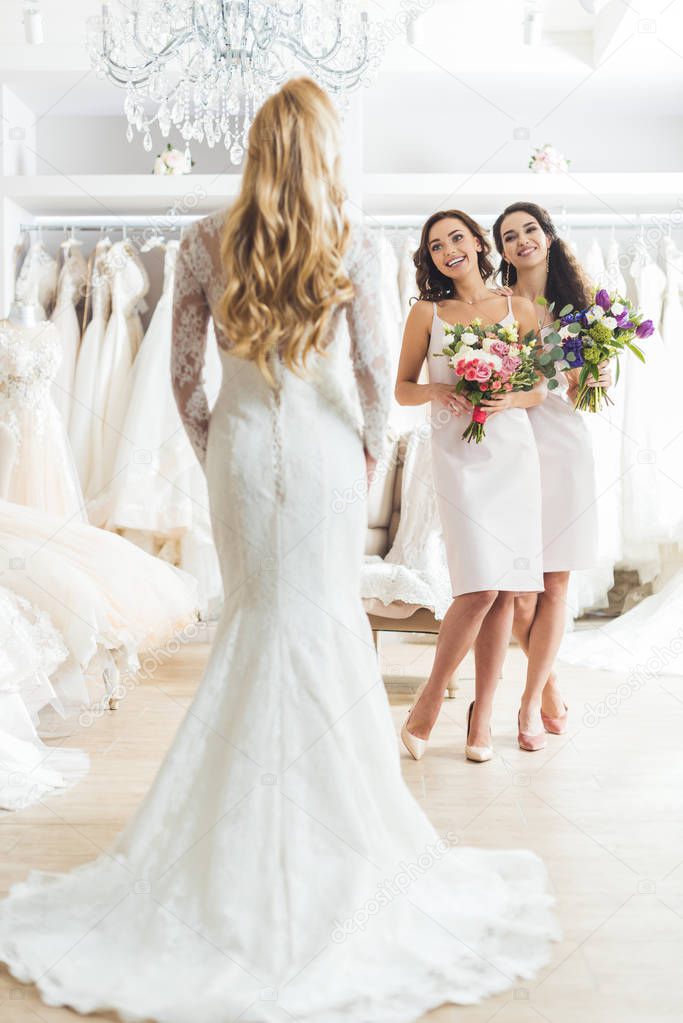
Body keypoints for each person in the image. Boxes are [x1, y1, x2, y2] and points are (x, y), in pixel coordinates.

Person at [0, 83, 558, 1019]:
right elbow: (380, 372)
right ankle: (337, 842)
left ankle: (226, 847)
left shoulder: (203, 240)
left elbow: (185, 378)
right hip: (330, 447)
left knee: (256, 629)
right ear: (322, 149)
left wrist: (217, 445)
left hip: (244, 449)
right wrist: (371, 445)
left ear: (257, 148)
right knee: (320, 624)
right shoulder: (348, 239)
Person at [395, 210, 548, 760]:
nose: (447, 251)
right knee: (478, 586)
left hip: (512, 455)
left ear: (479, 242)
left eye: (456, 238)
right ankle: (429, 702)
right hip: (458, 458)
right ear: (430, 258)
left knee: (507, 585)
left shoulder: (519, 308)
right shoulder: (427, 312)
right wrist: (437, 393)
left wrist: (511, 396)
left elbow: (539, 387)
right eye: (435, 246)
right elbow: (402, 389)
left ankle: (482, 715)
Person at [492, 201, 610, 739]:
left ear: (547, 235)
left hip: (564, 445)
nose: (522, 241)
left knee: (555, 583)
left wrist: (601, 375)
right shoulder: (495, 305)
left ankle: (527, 706)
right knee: (516, 591)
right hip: (510, 445)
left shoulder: (580, 309)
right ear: (501, 250)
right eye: (509, 235)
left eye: (530, 230)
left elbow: (589, 393)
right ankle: (551, 689)